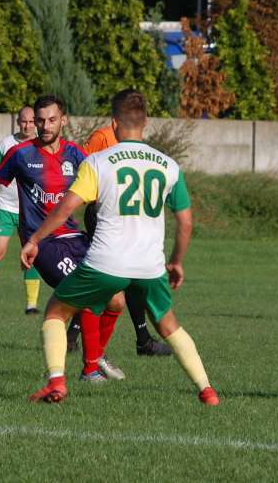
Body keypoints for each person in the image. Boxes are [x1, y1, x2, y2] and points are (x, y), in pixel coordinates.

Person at [21, 89, 219, 406]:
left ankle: (57, 383)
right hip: (150, 265)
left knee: (57, 310)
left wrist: (35, 239)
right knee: (169, 325)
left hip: (105, 262)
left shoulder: (98, 161)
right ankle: (207, 390)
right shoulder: (168, 165)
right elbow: (186, 223)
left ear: (113, 124)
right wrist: (176, 261)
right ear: (145, 123)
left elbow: (66, 208)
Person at [0, 95, 124, 383]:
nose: (44, 125)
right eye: (40, 120)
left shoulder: (76, 155)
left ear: (63, 120)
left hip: (76, 237)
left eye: (51, 120)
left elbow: (101, 189)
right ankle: (90, 368)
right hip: (42, 244)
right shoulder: (21, 154)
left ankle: (96, 354)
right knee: (88, 290)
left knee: (116, 299)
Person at [79, 123, 173, 356]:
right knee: (111, 279)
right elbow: (82, 171)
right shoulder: (101, 136)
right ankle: (83, 343)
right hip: (103, 215)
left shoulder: (138, 144)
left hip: (129, 217)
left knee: (128, 279)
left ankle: (142, 340)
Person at [0, 106, 42, 315]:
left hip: (31, 211)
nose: (28, 126)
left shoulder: (42, 145)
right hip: (5, 207)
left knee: (30, 256)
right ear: (18, 122)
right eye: (24, 122)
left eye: (32, 122)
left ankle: (31, 305)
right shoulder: (6, 144)